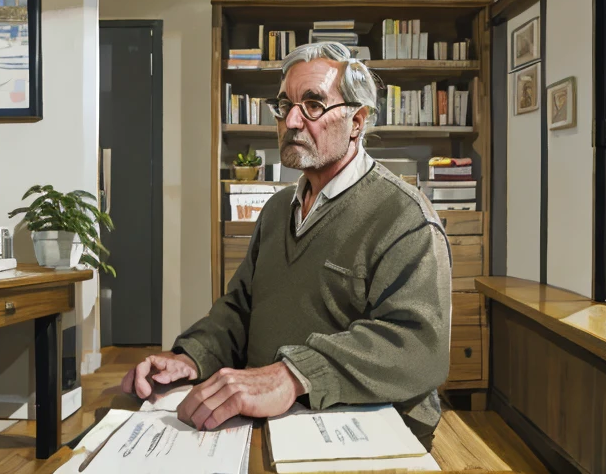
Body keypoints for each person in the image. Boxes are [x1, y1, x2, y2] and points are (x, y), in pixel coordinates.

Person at [121, 42, 452, 447]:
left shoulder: (404, 217)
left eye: (313, 104)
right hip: (267, 422)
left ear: (356, 122)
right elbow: (239, 309)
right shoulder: (278, 209)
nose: (291, 120)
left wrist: (293, 374)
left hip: (362, 431)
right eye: (284, 105)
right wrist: (192, 357)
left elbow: (419, 346)